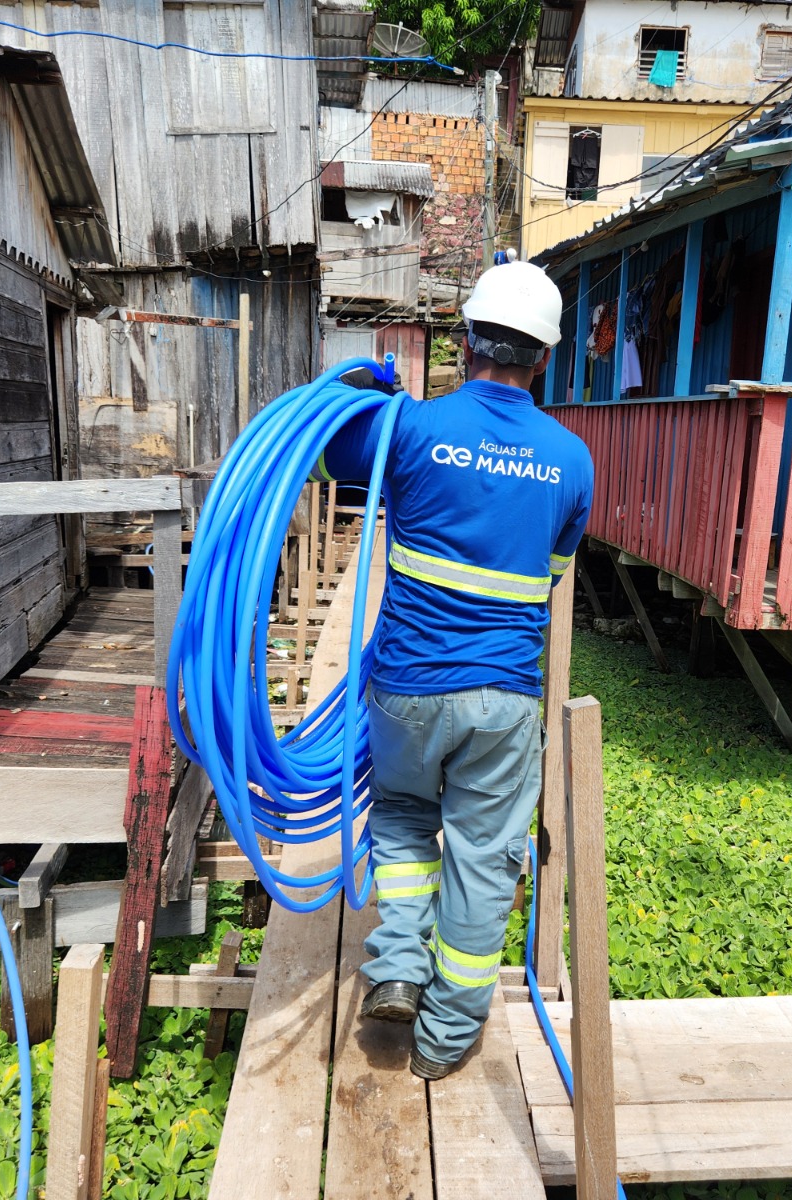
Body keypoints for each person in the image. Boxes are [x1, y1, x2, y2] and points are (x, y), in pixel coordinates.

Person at [313, 261, 593, 1080]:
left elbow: (323, 453)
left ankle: (398, 965)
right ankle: (442, 1044)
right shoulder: (572, 461)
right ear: (545, 358)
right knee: (483, 860)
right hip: (505, 700)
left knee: (403, 816)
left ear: (466, 340)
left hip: (407, 688)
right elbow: (550, 574)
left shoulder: (408, 428)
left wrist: (358, 390)